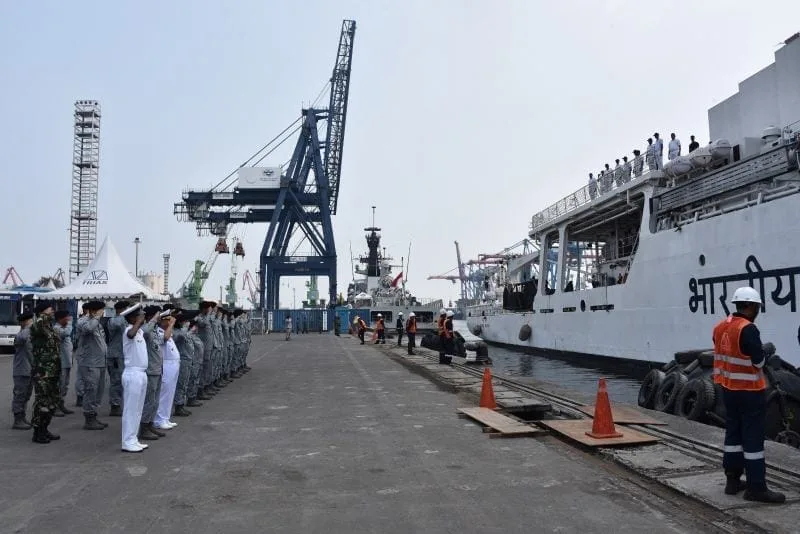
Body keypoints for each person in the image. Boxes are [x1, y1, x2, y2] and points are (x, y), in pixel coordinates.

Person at [712, 286, 785, 504]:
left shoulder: (720, 327)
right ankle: (756, 487)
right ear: (752, 306)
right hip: (749, 391)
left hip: (728, 389)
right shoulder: (748, 329)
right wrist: (764, 352)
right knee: (753, 438)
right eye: (758, 307)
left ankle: (732, 480)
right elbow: (758, 361)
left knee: (733, 435)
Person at [29, 303, 62, 444]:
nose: (53, 310)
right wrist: (43, 315)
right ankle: (37, 432)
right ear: (42, 311)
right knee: (42, 402)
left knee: (52, 401)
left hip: (53, 370)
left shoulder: (49, 326)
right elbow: (36, 326)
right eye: (50, 308)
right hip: (42, 371)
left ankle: (45, 428)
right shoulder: (37, 325)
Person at [120, 303, 150, 453]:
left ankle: (133, 438)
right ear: (133, 318)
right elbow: (130, 334)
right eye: (139, 315)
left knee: (138, 410)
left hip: (141, 373)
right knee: (130, 410)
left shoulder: (139, 333)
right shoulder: (128, 331)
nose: (143, 317)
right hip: (132, 373)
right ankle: (127, 441)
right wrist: (138, 321)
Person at [76, 300, 108, 431]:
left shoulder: (97, 323)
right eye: (101, 310)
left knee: (98, 391)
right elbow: (88, 329)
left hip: (100, 362)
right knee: (91, 390)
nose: (103, 312)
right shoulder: (83, 321)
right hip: (89, 362)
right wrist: (96, 317)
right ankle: (89, 419)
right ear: (95, 310)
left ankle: (93, 416)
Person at [140, 306, 165, 441]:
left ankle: (149, 424)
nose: (160, 317)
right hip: (150, 370)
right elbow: (142, 333)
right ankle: (143, 427)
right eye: (157, 315)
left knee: (155, 401)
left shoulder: (154, 331)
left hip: (157, 369)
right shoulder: (146, 328)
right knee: (149, 401)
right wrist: (153, 320)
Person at [154, 310, 179, 431]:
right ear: (162, 320)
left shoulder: (166, 331)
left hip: (173, 365)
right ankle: (159, 419)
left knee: (170, 393)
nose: (170, 321)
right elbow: (165, 338)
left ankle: (165, 418)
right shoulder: (159, 331)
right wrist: (171, 325)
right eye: (167, 320)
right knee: (164, 393)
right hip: (166, 364)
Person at [106, 300, 130, 417]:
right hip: (115, 355)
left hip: (124, 355)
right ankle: (115, 406)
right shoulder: (114, 320)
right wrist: (124, 315)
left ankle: (119, 403)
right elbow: (116, 325)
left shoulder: (125, 320)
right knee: (116, 381)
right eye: (126, 308)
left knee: (123, 381)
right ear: (120, 310)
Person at [11, 312, 34, 430]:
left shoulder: (27, 333)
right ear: (24, 322)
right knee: (19, 395)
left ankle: (22, 417)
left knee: (26, 395)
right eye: (30, 320)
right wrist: (28, 327)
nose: (32, 322)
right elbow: (23, 337)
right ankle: (18, 420)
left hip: (29, 370)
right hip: (21, 370)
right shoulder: (21, 334)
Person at [52, 310, 75, 417]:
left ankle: (61, 404)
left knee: (65, 385)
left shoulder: (64, 327)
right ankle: (55, 406)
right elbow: (66, 333)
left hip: (67, 361)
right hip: (61, 362)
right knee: (59, 385)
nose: (68, 319)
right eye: (66, 318)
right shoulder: (56, 328)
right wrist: (70, 324)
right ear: (60, 319)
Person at [172, 313, 195, 417]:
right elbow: (180, 336)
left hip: (188, 359)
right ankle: (178, 406)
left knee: (185, 383)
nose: (187, 323)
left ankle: (181, 404)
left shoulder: (183, 331)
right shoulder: (176, 332)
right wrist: (186, 329)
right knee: (181, 384)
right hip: (182, 360)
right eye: (185, 322)